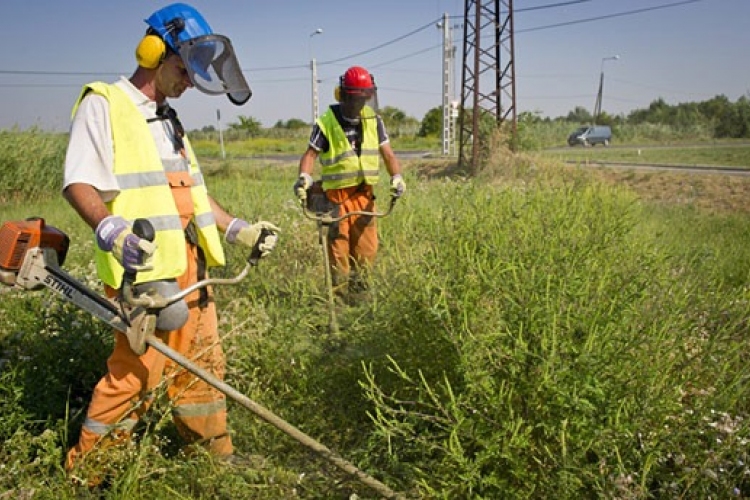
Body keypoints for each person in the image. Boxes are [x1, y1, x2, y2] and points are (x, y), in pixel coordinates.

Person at [62, 3, 280, 474]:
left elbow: (193, 196)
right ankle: (87, 474)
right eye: (184, 70)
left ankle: (212, 460)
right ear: (153, 51)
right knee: (136, 375)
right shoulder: (105, 103)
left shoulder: (169, 120)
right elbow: (78, 181)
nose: (188, 83)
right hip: (145, 270)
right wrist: (109, 228)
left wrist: (239, 229)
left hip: (192, 267)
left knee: (203, 367)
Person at [294, 65, 405, 299]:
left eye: (365, 98)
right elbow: (310, 155)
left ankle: (361, 299)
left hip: (364, 197)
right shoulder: (326, 122)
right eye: (356, 99)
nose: (360, 104)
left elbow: (388, 154)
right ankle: (339, 301)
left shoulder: (374, 121)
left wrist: (396, 177)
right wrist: (304, 177)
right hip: (334, 200)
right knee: (339, 253)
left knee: (366, 251)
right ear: (343, 95)